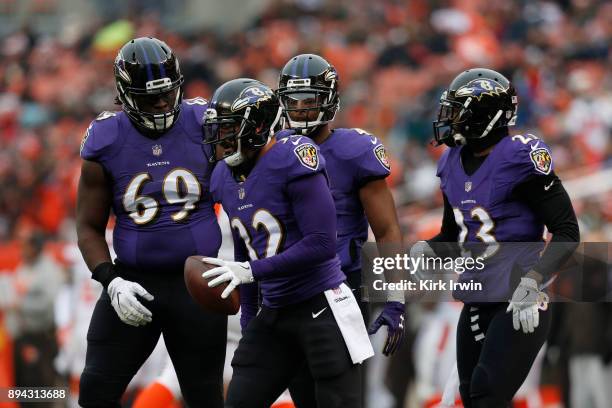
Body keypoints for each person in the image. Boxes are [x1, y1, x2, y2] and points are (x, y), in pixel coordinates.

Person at [202, 78, 373, 407]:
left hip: (322, 306)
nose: (221, 140)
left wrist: (251, 271)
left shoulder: (292, 156)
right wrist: (250, 321)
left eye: (229, 129)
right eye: (218, 130)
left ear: (256, 127)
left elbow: (322, 243)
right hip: (276, 310)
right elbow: (245, 253)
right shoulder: (222, 176)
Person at [415, 68, 579, 407]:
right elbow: (453, 235)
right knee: (471, 397)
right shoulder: (450, 162)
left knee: (488, 394)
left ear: (485, 115)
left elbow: (566, 232)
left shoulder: (520, 155)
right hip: (477, 296)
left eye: (460, 111)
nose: (451, 119)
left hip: (520, 297)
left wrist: (535, 281)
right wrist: (426, 250)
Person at [76, 37, 226, 408]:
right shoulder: (106, 139)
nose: (161, 104)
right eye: (148, 97)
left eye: (166, 93)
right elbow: (88, 226)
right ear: (125, 95)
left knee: (204, 397)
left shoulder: (206, 124)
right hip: (133, 280)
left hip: (199, 284)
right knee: (95, 391)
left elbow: (246, 197)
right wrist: (111, 282)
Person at [274, 54, 405, 405]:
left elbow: (388, 229)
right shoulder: (270, 149)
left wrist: (396, 298)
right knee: (302, 396)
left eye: (310, 101)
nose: (300, 110)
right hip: (285, 290)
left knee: (340, 399)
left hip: (341, 290)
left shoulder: (353, 150)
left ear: (329, 99)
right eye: (293, 101)